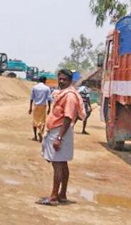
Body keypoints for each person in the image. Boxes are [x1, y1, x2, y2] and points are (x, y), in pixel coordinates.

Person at [36, 69, 85, 206]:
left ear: (70, 81)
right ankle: (62, 194)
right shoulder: (64, 94)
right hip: (59, 131)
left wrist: (59, 138)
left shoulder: (69, 96)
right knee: (62, 163)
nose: (62, 81)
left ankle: (53, 196)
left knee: (57, 163)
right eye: (60, 79)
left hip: (60, 131)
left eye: (65, 79)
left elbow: (68, 117)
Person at [29, 76, 52, 142]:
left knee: (35, 120)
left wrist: (30, 107)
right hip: (43, 106)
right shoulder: (47, 88)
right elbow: (49, 99)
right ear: (45, 80)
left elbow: (31, 98)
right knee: (42, 121)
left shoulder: (35, 87)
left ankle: (35, 136)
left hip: (36, 105)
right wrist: (49, 108)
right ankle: (40, 132)